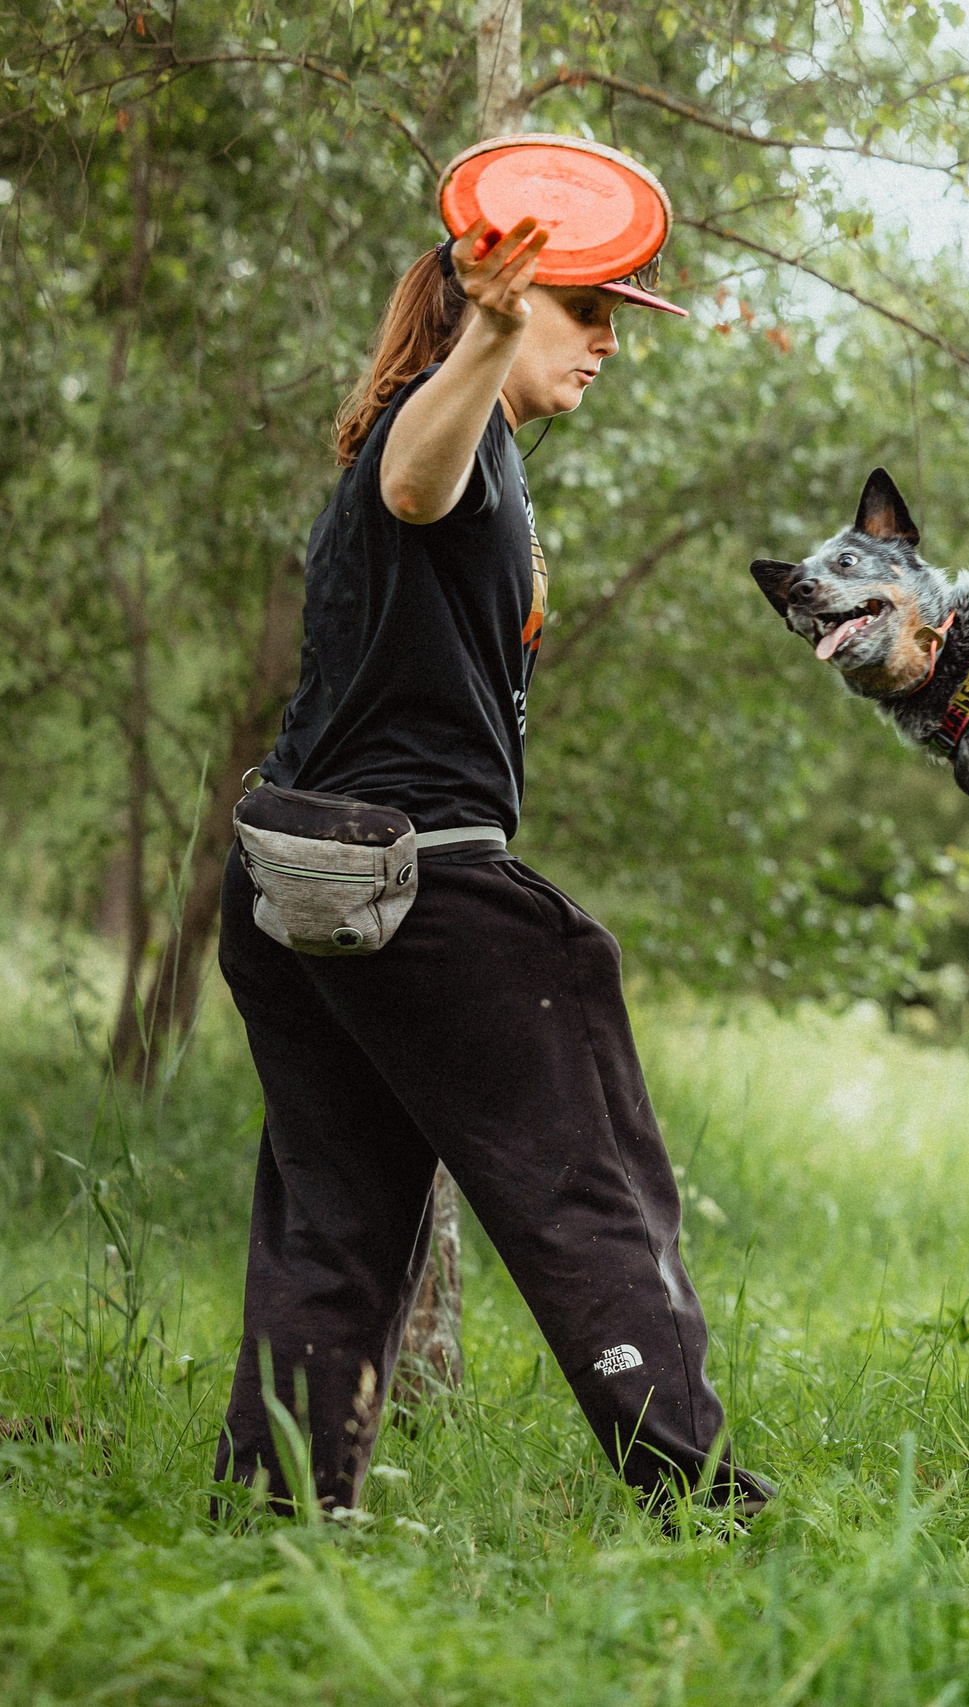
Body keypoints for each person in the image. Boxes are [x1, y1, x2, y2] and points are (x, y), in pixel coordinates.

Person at [212, 192, 768, 1518]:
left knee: (331, 1215)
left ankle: (277, 1514)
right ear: (500, 309)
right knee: (596, 1188)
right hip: (421, 893)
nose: (608, 343)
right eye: (587, 312)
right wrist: (487, 331)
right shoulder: (434, 433)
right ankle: (699, 1504)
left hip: (288, 876)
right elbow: (419, 475)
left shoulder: (474, 460)